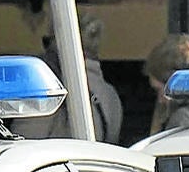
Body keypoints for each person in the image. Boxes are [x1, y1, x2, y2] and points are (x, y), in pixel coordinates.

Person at [20, 8, 124, 144]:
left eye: (46, 41)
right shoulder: (111, 96)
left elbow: (22, 142)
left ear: (61, 42)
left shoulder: (46, 90)